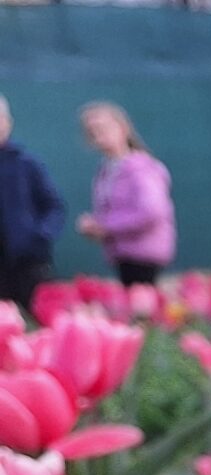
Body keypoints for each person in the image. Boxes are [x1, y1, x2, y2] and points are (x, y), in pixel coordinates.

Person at [75, 103, 175, 287]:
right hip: (121, 254)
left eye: (103, 128)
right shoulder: (107, 170)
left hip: (144, 254)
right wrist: (95, 226)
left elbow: (152, 211)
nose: (99, 136)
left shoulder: (141, 168)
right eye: (92, 131)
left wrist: (106, 227)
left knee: (142, 308)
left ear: (123, 128)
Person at [0, 95, 65, 314]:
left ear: (8, 123)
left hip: (28, 263)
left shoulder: (28, 164)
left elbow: (54, 206)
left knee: (37, 322)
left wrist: (39, 236)